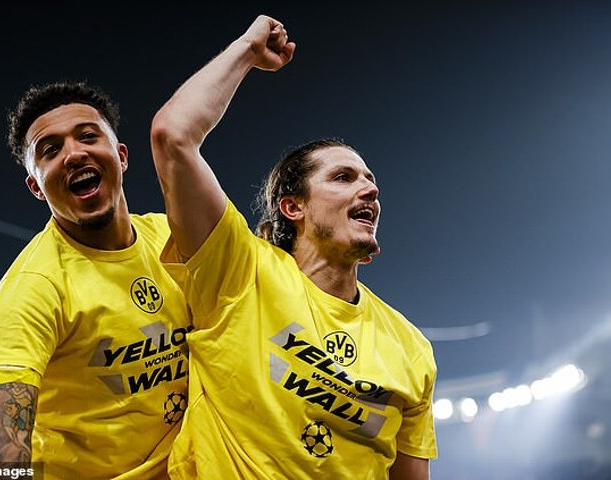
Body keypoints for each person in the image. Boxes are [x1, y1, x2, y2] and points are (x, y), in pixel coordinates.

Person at [151, 14, 438, 480]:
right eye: (343, 177)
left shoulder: (410, 348)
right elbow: (173, 137)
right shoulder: (239, 272)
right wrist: (248, 50)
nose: (370, 189)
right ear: (293, 207)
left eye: (370, 181)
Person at [0, 81, 192, 479]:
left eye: (88, 136)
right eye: (50, 150)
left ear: (121, 156)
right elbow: (0, 454)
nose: (74, 154)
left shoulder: (173, 238)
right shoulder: (31, 288)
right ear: (36, 187)